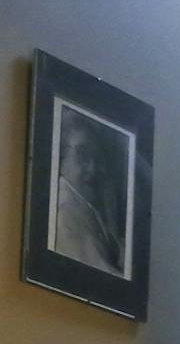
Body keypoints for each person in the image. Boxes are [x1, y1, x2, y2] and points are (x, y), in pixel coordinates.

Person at [52, 108, 129, 274]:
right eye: (83, 155)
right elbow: (103, 277)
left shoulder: (85, 204)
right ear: (61, 157)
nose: (93, 169)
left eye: (96, 157)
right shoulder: (66, 211)